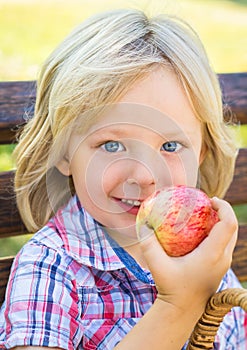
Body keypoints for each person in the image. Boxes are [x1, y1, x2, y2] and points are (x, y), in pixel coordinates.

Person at [0, 8, 246, 350]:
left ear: (202, 152)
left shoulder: (203, 249)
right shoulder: (51, 269)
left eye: (171, 145)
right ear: (64, 153)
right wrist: (179, 307)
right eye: (112, 145)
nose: (145, 176)